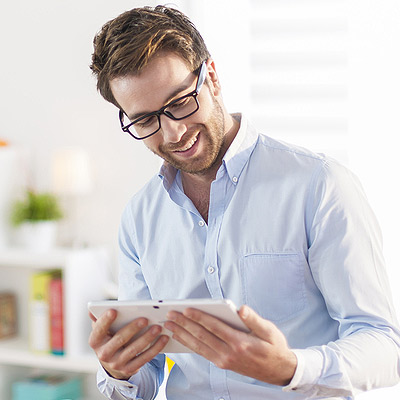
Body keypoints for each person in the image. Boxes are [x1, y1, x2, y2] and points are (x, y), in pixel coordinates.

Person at [88, 5, 400, 400]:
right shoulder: (139, 218)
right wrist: (118, 370)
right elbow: (145, 378)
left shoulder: (318, 185)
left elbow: (385, 346)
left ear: (212, 77)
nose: (174, 132)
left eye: (180, 101)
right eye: (146, 120)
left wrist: (292, 368)